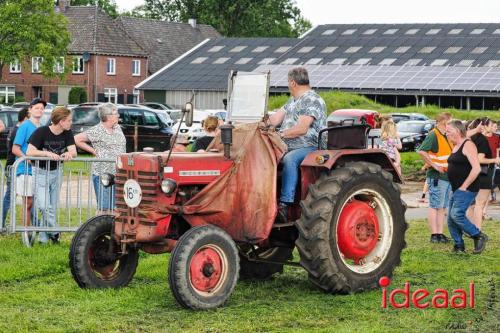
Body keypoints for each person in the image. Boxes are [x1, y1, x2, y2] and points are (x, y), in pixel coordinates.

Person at [267, 67, 326, 221]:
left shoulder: (312, 99)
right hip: (289, 145)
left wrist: (280, 134)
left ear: (292, 82)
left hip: (310, 146)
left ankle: (285, 205)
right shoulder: (292, 101)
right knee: (264, 157)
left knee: (290, 159)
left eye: (288, 83)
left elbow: (302, 129)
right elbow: (274, 120)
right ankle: (266, 201)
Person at [27, 106, 77, 244]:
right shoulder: (41, 132)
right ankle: (55, 232)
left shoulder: (67, 133)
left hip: (57, 172)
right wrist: (46, 153)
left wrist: (69, 153)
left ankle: (43, 240)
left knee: (52, 207)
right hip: (40, 172)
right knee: (44, 206)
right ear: (61, 121)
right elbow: (29, 152)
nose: (71, 123)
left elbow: (74, 151)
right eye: (69, 120)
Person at [445, 120, 488, 254]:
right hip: (456, 188)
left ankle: (478, 235)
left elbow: (476, 169)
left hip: (467, 188)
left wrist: (464, 186)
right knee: (450, 219)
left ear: (457, 132)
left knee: (456, 215)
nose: (446, 134)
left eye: (448, 131)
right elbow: (464, 133)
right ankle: (459, 246)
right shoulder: (456, 143)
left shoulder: (468, 145)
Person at [75, 103, 125, 211]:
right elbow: (77, 139)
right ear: (108, 116)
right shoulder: (97, 130)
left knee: (117, 208)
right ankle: (102, 227)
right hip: (103, 175)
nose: (118, 116)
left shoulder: (118, 128)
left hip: (118, 174)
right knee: (104, 208)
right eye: (116, 113)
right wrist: (93, 151)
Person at [417, 112, 452, 243]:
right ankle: (434, 234)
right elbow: (421, 151)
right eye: (450, 122)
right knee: (435, 205)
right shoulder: (433, 134)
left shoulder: (445, 135)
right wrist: (434, 165)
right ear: (444, 122)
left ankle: (440, 233)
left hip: (446, 176)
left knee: (442, 206)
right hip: (437, 176)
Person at [12, 98, 46, 231]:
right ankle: (26, 231)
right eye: (37, 107)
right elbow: (15, 148)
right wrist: (27, 158)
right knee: (28, 202)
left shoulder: (43, 127)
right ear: (30, 110)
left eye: (42, 108)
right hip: (25, 170)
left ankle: (40, 230)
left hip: (41, 169)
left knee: (39, 203)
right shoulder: (25, 126)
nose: (40, 110)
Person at [466, 118, 500, 230]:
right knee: (479, 204)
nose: (493, 127)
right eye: (490, 125)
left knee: (470, 204)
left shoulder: (469, 139)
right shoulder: (482, 140)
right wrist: (494, 160)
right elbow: (480, 159)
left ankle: (470, 229)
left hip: (469, 172)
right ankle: (477, 230)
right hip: (483, 173)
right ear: (483, 126)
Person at [2, 107, 29, 226]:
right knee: (11, 197)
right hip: (15, 167)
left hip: (12, 166)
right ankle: (1, 223)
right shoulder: (19, 130)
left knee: (26, 198)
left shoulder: (15, 129)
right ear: (26, 118)